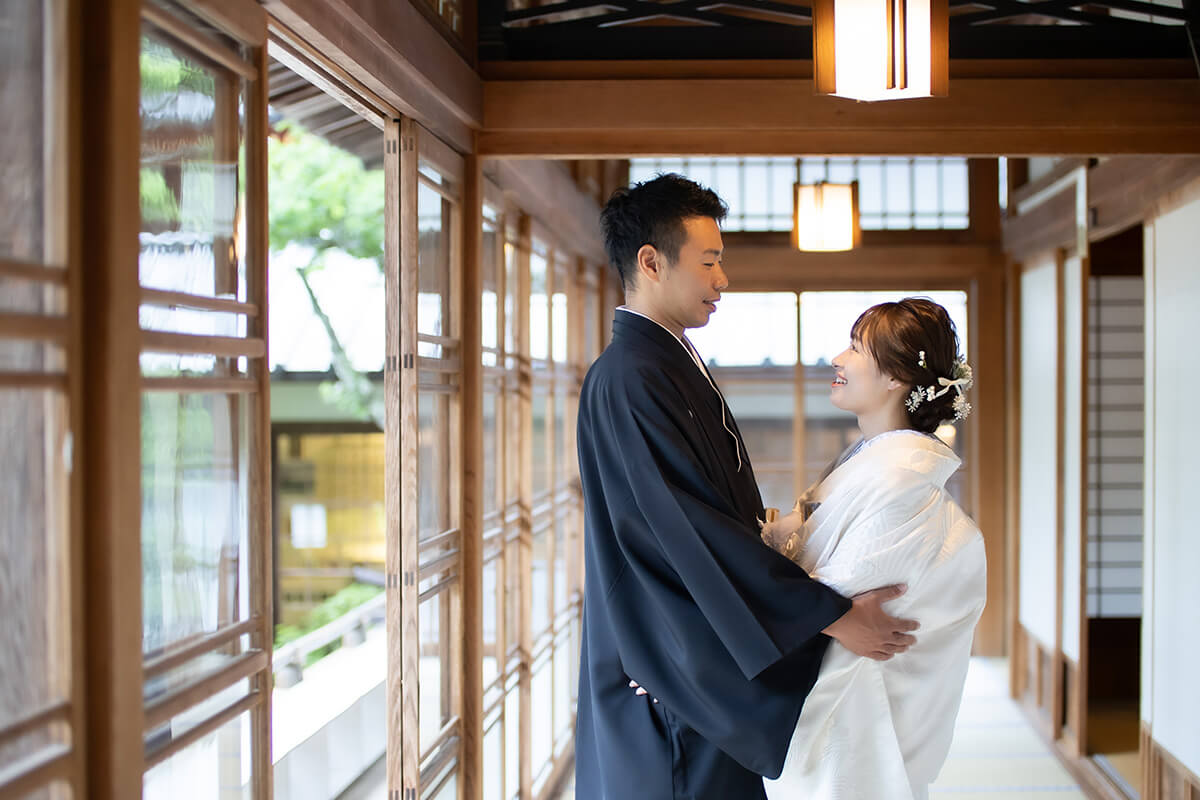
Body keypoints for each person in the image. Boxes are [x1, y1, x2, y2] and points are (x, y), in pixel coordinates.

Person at [574, 174, 920, 800]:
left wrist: (769, 532)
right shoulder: (632, 376)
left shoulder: (664, 363)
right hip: (671, 664)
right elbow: (685, 531)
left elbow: (702, 515)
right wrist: (832, 616)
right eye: (709, 263)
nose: (722, 281)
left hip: (693, 653)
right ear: (651, 262)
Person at [760, 297, 987, 800]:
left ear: (896, 377)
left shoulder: (898, 481)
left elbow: (829, 602)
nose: (838, 359)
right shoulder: (876, 464)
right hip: (840, 712)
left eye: (856, 348)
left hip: (851, 723)